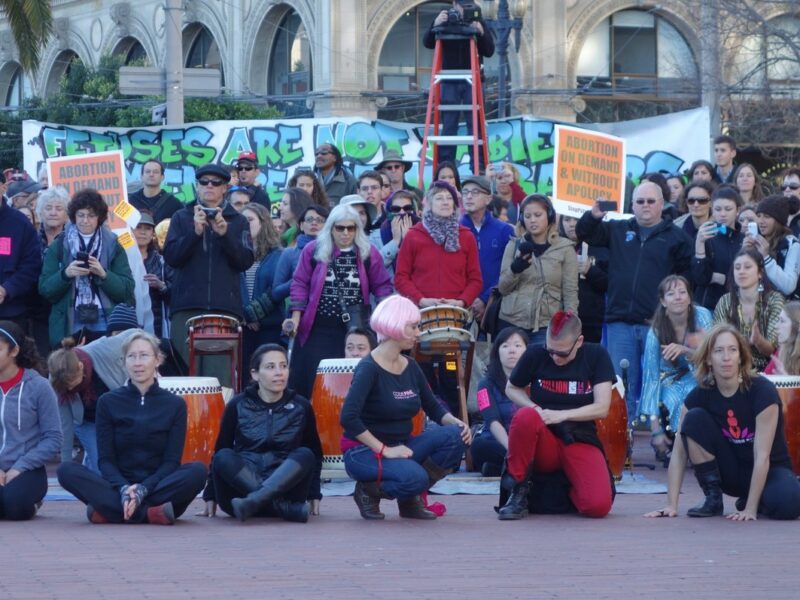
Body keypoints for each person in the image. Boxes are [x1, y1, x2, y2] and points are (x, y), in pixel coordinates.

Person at [644, 324, 800, 520]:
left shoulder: (762, 392)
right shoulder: (699, 396)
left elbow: (762, 456)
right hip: (731, 471)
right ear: (709, 358)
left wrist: (750, 510)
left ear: (741, 356)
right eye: (719, 351)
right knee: (693, 419)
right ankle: (713, 498)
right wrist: (671, 505)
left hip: (770, 471)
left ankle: (756, 500)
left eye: (732, 350)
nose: (726, 357)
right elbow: (678, 452)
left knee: (789, 505)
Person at [340, 295, 471, 520]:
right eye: (413, 327)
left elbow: (433, 407)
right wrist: (385, 450)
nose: (418, 333)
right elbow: (348, 418)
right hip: (364, 452)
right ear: (395, 327)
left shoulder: (410, 366)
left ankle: (409, 500)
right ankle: (368, 491)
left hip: (402, 446)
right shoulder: (368, 368)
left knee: (456, 437)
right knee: (417, 478)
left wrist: (457, 423)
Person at [57, 331, 207, 525]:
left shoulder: (175, 404)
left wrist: (143, 489)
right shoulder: (108, 402)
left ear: (157, 360)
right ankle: (149, 513)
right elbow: (106, 461)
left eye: (144, 356)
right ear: (123, 362)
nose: (137, 363)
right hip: (118, 484)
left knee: (197, 471)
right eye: (131, 356)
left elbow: (171, 462)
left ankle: (114, 511)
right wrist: (123, 488)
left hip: (157, 484)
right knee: (66, 470)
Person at [576, 182, 693, 419]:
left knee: (659, 384)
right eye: (640, 201)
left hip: (658, 324)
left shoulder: (677, 238)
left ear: (661, 204)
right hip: (620, 322)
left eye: (651, 201)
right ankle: (622, 440)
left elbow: (686, 281)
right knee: (620, 385)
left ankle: (661, 440)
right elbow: (584, 233)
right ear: (632, 205)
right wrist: (593, 215)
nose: (645, 206)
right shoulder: (617, 229)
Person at [498, 311, 615, 520]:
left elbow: (602, 407)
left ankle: (572, 491)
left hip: (578, 436)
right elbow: (512, 388)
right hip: (544, 436)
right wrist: (536, 409)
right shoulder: (535, 354)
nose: (554, 357)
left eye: (562, 353)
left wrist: (562, 415)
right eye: (550, 350)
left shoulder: (596, 355)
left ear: (579, 342)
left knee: (598, 507)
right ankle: (518, 491)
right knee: (525, 416)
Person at [200, 344, 322, 522]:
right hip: (238, 496)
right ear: (254, 374)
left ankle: (257, 501)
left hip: (286, 489)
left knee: (305, 453)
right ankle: (281, 508)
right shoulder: (237, 405)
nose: (279, 372)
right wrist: (210, 495)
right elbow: (220, 449)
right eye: (270, 367)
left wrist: (313, 494)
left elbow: (315, 454)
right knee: (223, 456)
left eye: (283, 366)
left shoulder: (301, 406)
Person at [285, 204, 393, 399]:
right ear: (331, 228)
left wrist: (386, 322)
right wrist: (296, 317)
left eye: (351, 228)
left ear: (357, 229)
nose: (345, 232)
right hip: (318, 327)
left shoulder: (368, 252)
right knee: (313, 382)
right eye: (340, 227)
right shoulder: (314, 249)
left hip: (355, 328)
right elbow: (299, 283)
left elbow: (383, 286)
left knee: (354, 382)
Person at [162, 164, 254, 388]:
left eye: (216, 183)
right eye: (204, 182)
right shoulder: (181, 217)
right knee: (184, 376)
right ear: (197, 186)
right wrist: (194, 233)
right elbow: (171, 257)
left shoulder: (238, 221)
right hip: (186, 307)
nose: (209, 186)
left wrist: (225, 235)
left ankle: (219, 423)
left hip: (224, 310)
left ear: (225, 188)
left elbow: (245, 261)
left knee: (220, 380)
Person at [394, 181, 482, 415]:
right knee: (421, 379)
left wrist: (461, 302)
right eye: (439, 197)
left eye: (449, 198)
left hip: (454, 322)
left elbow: (475, 280)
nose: (445, 202)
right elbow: (401, 278)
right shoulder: (414, 236)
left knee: (452, 378)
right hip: (421, 322)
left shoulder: (466, 237)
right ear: (428, 204)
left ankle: (457, 429)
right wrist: (421, 300)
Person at [38, 189, 135, 348]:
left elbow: (127, 290)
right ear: (73, 216)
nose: (85, 220)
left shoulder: (113, 244)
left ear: (100, 217)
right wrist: (66, 274)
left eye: (91, 215)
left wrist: (103, 274)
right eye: (81, 215)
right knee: (72, 370)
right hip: (69, 320)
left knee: (103, 369)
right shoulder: (59, 244)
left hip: (105, 318)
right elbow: (45, 289)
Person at [639, 275, 713, 463]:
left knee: (695, 390)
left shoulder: (703, 316)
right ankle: (672, 441)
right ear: (663, 302)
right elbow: (651, 379)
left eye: (682, 292)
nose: (678, 297)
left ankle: (702, 444)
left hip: (700, 372)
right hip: (668, 379)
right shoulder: (656, 332)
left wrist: (686, 351)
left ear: (689, 297)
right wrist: (655, 430)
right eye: (671, 294)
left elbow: (712, 357)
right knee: (672, 396)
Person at [0, 321, 61, 521]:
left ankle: (29, 502)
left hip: (27, 469)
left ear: (14, 351)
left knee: (14, 506)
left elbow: (53, 438)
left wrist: (20, 466)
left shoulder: (39, 387)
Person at [497, 194, 577, 344]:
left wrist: (569, 326)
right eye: (527, 216)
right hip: (512, 322)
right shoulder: (513, 245)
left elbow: (570, 291)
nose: (532, 220)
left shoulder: (565, 248)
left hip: (546, 325)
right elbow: (502, 288)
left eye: (538, 215)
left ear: (550, 215)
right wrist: (515, 269)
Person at [422, 0, 495, 165]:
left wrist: (481, 33)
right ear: (454, 5)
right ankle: (445, 165)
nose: (466, 9)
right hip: (449, 79)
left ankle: (479, 165)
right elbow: (427, 43)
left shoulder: (477, 19)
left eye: (469, 5)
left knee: (475, 125)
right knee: (449, 125)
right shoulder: (446, 18)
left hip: (472, 79)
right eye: (463, 5)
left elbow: (489, 50)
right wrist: (435, 23)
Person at [713, 248, 784, 371]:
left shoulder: (774, 300)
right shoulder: (725, 301)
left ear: (760, 273)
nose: (741, 272)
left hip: (767, 369)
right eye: (737, 267)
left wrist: (758, 340)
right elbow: (718, 341)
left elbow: (773, 351)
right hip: (732, 367)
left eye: (747, 267)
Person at [471, 327, 529, 476]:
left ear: (527, 351)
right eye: (505, 346)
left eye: (517, 345)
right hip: (499, 442)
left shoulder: (535, 381)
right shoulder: (485, 384)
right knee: (478, 445)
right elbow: (492, 421)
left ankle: (502, 468)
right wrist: (511, 449)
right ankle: (520, 465)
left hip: (527, 442)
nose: (512, 351)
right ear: (497, 351)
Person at [460, 175, 514, 323]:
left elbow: (509, 270)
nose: (469, 196)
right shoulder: (454, 230)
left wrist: (485, 298)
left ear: (488, 199)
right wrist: (468, 298)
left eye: (475, 192)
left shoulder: (504, 230)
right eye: (465, 192)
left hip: (495, 305)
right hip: (461, 305)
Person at [240, 203, 284, 376]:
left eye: (250, 219)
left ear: (263, 222)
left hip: (269, 328)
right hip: (243, 328)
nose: (245, 224)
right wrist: (245, 316)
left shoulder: (278, 254)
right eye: (242, 220)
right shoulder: (236, 253)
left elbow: (276, 290)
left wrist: (253, 314)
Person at [691, 186, 745, 311]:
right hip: (709, 306)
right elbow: (699, 277)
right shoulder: (705, 235)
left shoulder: (743, 239)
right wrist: (699, 242)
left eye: (728, 209)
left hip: (738, 306)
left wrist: (723, 278)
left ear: (737, 210)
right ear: (712, 211)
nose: (722, 214)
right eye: (718, 209)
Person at [559, 214, 608, 344]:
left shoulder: (601, 248)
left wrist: (590, 271)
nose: (572, 224)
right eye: (567, 219)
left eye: (576, 219)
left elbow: (610, 284)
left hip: (591, 320)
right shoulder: (555, 248)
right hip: (559, 317)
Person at [0, 184, 42, 332]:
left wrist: (7, 289)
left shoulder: (20, 224)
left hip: (11, 314)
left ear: (3, 188)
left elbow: (32, 266)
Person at [743, 195, 800, 298]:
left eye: (766, 216)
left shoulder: (792, 245)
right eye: (759, 216)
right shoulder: (755, 240)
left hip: (782, 308)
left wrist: (766, 258)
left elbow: (788, 287)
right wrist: (744, 252)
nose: (761, 221)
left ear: (778, 220)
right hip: (753, 303)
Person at [272, 204, 327, 306]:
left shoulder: (333, 252)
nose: (314, 223)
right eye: (309, 219)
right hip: (298, 313)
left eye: (319, 220)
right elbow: (276, 293)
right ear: (301, 225)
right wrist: (299, 278)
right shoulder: (289, 253)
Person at [134, 211, 171, 338]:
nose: (143, 232)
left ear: (152, 234)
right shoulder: (121, 259)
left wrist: (161, 286)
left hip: (157, 325)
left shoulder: (162, 261)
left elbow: (175, 295)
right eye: (138, 227)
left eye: (148, 228)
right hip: (130, 321)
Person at [128, 160, 183, 225]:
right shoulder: (130, 201)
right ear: (141, 176)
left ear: (162, 177)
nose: (151, 174)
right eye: (148, 171)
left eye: (156, 172)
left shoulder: (174, 203)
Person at [377, 190, 420, 270]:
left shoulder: (424, 232)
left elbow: (425, 264)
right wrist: (395, 241)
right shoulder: (377, 235)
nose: (402, 212)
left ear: (413, 210)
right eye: (396, 209)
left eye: (407, 208)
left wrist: (408, 240)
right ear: (389, 211)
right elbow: (376, 266)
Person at [765, 301, 800, 375]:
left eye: (782, 321)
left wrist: (786, 380)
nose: (776, 326)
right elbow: (766, 380)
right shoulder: (781, 351)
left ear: (797, 326)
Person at [34, 186, 69, 254]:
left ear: (67, 213)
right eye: (48, 208)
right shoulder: (32, 239)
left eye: (59, 209)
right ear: (40, 212)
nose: (53, 213)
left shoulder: (73, 241)